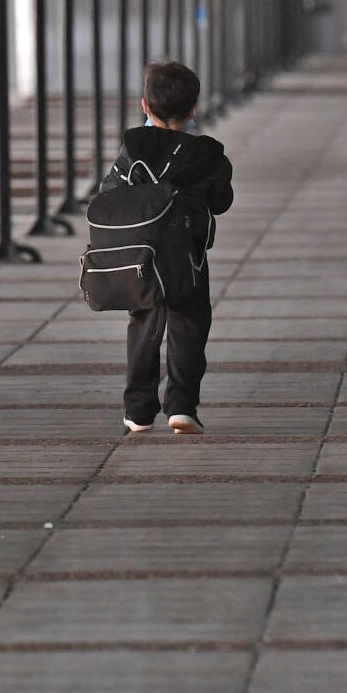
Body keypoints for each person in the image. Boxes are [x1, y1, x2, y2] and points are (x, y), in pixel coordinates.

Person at [99, 60, 234, 435]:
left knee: (144, 324)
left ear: (145, 105)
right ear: (194, 109)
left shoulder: (131, 149)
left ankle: (139, 410)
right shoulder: (208, 154)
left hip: (140, 257)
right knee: (189, 325)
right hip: (187, 258)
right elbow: (221, 201)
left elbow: (108, 195)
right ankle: (182, 406)